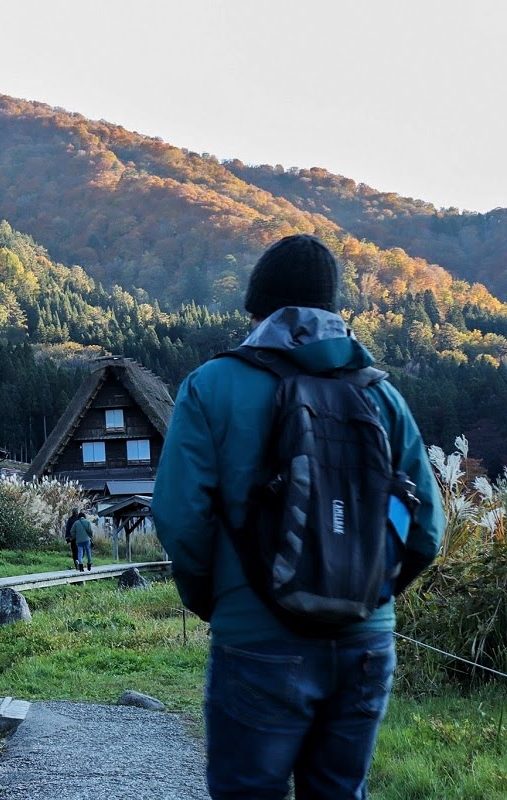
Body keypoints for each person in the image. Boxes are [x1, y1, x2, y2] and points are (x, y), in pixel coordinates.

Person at [152, 233, 444, 799]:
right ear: (333, 309)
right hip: (365, 641)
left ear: (258, 311)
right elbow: (427, 529)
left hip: (256, 639)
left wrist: (217, 601)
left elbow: (180, 517)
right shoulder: (383, 397)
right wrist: (368, 590)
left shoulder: (211, 386)